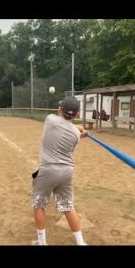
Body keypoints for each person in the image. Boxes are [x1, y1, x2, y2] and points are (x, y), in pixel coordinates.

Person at [31, 97, 88, 245]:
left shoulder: (50, 120)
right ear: (76, 114)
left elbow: (61, 122)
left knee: (39, 204)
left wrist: (77, 127)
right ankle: (81, 243)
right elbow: (70, 128)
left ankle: (42, 243)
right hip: (67, 172)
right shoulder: (76, 136)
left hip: (48, 170)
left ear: (60, 110)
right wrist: (78, 129)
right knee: (68, 207)